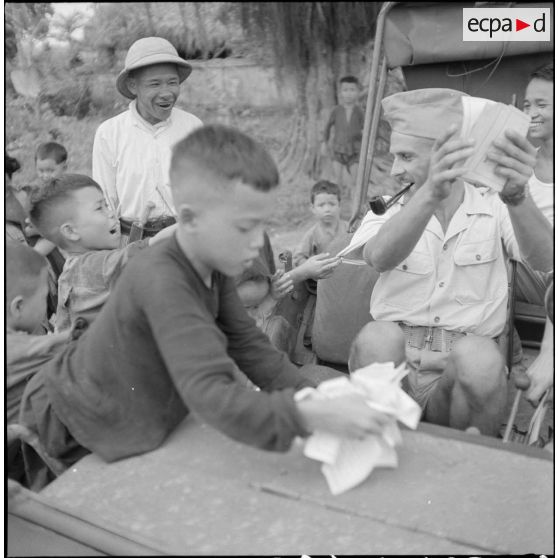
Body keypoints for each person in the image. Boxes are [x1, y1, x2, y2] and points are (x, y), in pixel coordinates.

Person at [19, 125, 389, 489]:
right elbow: (210, 393)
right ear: (191, 220)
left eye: (262, 225)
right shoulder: (163, 278)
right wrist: (308, 414)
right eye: (242, 227)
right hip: (74, 417)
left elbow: (248, 346)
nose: (257, 244)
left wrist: (312, 395)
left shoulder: (212, 265)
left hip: (137, 407)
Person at [346, 88, 553, 437]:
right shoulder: (389, 208)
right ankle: (379, 450)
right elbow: (378, 257)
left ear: (447, 157)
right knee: (376, 338)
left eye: (406, 156)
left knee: (481, 357)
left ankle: (465, 467)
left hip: (460, 376)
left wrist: (518, 196)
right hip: (397, 368)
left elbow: (547, 259)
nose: (396, 169)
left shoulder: (495, 205)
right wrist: (429, 194)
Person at [28, 174, 176, 333]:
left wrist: (138, 227)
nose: (111, 212)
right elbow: (152, 247)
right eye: (99, 208)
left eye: (106, 204)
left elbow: (122, 259)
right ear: (71, 231)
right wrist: (194, 219)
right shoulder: (89, 267)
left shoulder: (76, 268)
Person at [92, 37, 203, 239]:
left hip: (183, 238)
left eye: (172, 82)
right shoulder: (109, 133)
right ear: (133, 86)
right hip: (131, 240)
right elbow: (105, 199)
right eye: (155, 84)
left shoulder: (192, 127)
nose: (166, 93)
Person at [518, 62, 554, 406]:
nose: (531, 113)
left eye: (541, 104)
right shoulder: (519, 161)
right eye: (527, 105)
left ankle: (549, 352)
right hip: (523, 266)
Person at [6, 243, 70, 424]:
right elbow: (74, 341)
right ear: (18, 307)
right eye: (44, 297)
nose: (46, 305)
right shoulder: (16, 348)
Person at [291, 180, 345, 285]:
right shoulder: (312, 234)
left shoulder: (349, 229)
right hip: (321, 284)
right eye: (321, 205)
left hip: (346, 279)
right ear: (313, 208)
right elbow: (298, 257)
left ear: (339, 205)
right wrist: (311, 268)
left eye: (332, 204)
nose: (327, 209)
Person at [323, 76, 365, 193]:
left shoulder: (359, 111)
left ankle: (354, 199)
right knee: (337, 178)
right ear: (340, 92)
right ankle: (338, 199)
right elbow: (327, 126)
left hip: (355, 150)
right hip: (338, 149)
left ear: (358, 92)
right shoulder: (336, 110)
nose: (348, 94)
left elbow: (365, 129)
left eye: (352, 90)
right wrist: (324, 142)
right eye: (345, 90)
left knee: (355, 179)